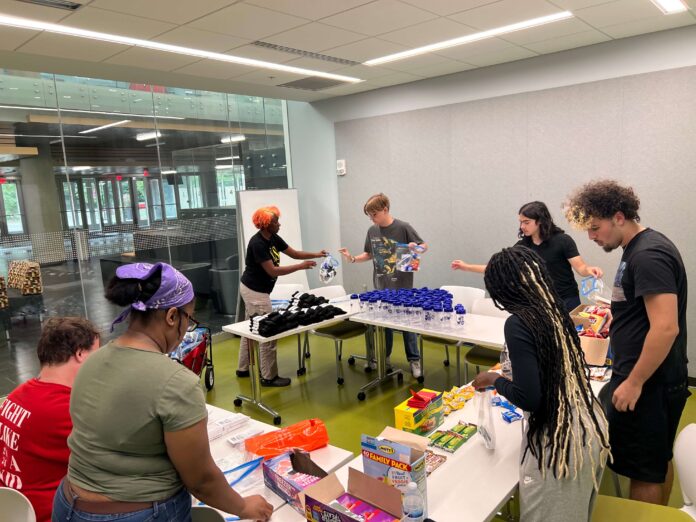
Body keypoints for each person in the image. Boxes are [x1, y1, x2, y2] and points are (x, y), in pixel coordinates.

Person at [53, 262, 273, 522]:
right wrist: (244, 507)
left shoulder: (92, 362)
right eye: (188, 319)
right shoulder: (176, 382)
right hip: (136, 514)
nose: (185, 331)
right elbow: (201, 480)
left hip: (68, 505)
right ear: (171, 317)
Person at [564, 180, 689, 505]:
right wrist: (617, 318)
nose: (591, 236)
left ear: (619, 217)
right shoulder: (636, 249)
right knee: (656, 460)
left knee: (643, 470)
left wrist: (634, 382)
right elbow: (643, 311)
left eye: (594, 227)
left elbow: (665, 328)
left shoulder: (648, 255)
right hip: (651, 380)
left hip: (649, 384)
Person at [473, 246, 611, 522]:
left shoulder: (518, 322)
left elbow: (530, 398)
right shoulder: (554, 308)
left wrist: (496, 379)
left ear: (502, 289)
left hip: (560, 445)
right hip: (586, 425)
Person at [0, 318, 100, 522]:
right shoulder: (66, 410)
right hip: (51, 513)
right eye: (97, 354)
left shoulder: (16, 396)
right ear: (80, 353)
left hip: (15, 510)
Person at [452, 201, 603, 311]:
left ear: (540, 222)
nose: (522, 226)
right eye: (520, 222)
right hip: (540, 302)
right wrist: (466, 267)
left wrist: (589, 270)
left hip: (567, 300)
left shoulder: (562, 241)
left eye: (526, 222)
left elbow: (581, 267)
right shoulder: (522, 247)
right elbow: (497, 268)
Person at [339, 193, 428, 378]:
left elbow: (424, 246)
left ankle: (414, 360)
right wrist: (353, 259)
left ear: (385, 209)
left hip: (403, 288)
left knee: (407, 325)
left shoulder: (403, 227)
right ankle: (384, 358)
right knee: (383, 326)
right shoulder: (372, 230)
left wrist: (415, 248)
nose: (372, 219)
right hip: (381, 287)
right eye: (370, 216)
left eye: (374, 214)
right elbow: (369, 254)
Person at [237, 206, 327, 387]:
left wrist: (317, 254)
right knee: (268, 330)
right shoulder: (258, 244)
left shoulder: (272, 237)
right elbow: (272, 270)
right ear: (265, 225)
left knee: (249, 329)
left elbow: (293, 253)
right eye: (275, 221)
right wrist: (300, 267)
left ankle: (243, 368)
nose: (279, 224)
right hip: (255, 291)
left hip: (255, 289)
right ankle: (269, 376)